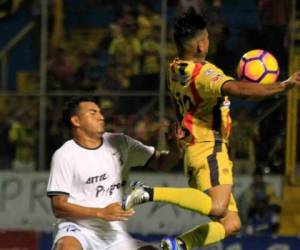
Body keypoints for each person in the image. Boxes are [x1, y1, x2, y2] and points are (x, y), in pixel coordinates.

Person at [122, 8, 300, 250]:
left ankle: (177, 245)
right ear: (199, 46)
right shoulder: (203, 74)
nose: (209, 41)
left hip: (195, 151)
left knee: (232, 223)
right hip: (209, 148)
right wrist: (283, 85)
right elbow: (242, 91)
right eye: (206, 37)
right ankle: (148, 192)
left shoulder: (174, 68)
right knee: (217, 207)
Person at [46, 96, 182, 250]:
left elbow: (162, 163)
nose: (101, 117)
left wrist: (175, 150)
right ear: (76, 121)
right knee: (67, 247)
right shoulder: (65, 155)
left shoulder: (121, 143)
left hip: (113, 233)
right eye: (93, 113)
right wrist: (100, 212)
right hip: (77, 228)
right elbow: (59, 207)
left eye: (100, 112)